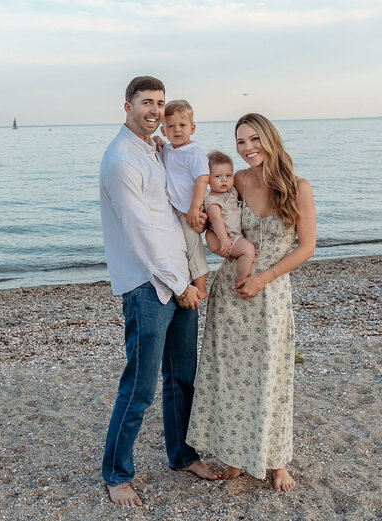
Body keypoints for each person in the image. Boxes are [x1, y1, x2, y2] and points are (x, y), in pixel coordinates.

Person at [99, 76, 220, 507]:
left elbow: (173, 210)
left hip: (179, 277)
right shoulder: (120, 160)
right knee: (140, 386)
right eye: (147, 102)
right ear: (127, 106)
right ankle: (116, 474)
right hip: (149, 286)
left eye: (160, 103)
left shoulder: (156, 148)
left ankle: (181, 454)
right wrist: (181, 284)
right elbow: (139, 235)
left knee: (182, 378)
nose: (154, 109)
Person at [186, 113, 316, 492]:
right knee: (229, 376)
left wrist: (263, 277)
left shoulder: (298, 187)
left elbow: (307, 247)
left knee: (271, 376)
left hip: (270, 292)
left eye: (254, 139)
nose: (247, 148)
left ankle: (276, 462)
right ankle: (235, 455)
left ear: (270, 138)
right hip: (231, 291)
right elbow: (210, 209)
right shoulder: (237, 181)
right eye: (240, 142)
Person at [155, 99, 210, 299]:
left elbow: (202, 180)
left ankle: (201, 287)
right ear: (164, 131)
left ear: (192, 128)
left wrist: (195, 208)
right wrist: (159, 142)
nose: (177, 130)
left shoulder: (194, 153)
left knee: (193, 248)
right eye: (171, 126)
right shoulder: (169, 149)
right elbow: (160, 148)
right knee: (177, 247)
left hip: (188, 210)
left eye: (182, 125)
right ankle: (180, 281)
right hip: (172, 209)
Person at [205, 150, 255, 283]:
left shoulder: (231, 191)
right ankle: (241, 278)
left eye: (228, 175)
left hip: (235, 235)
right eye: (218, 177)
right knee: (248, 251)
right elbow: (216, 220)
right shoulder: (212, 201)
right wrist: (224, 239)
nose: (224, 180)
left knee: (248, 251)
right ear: (207, 179)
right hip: (229, 237)